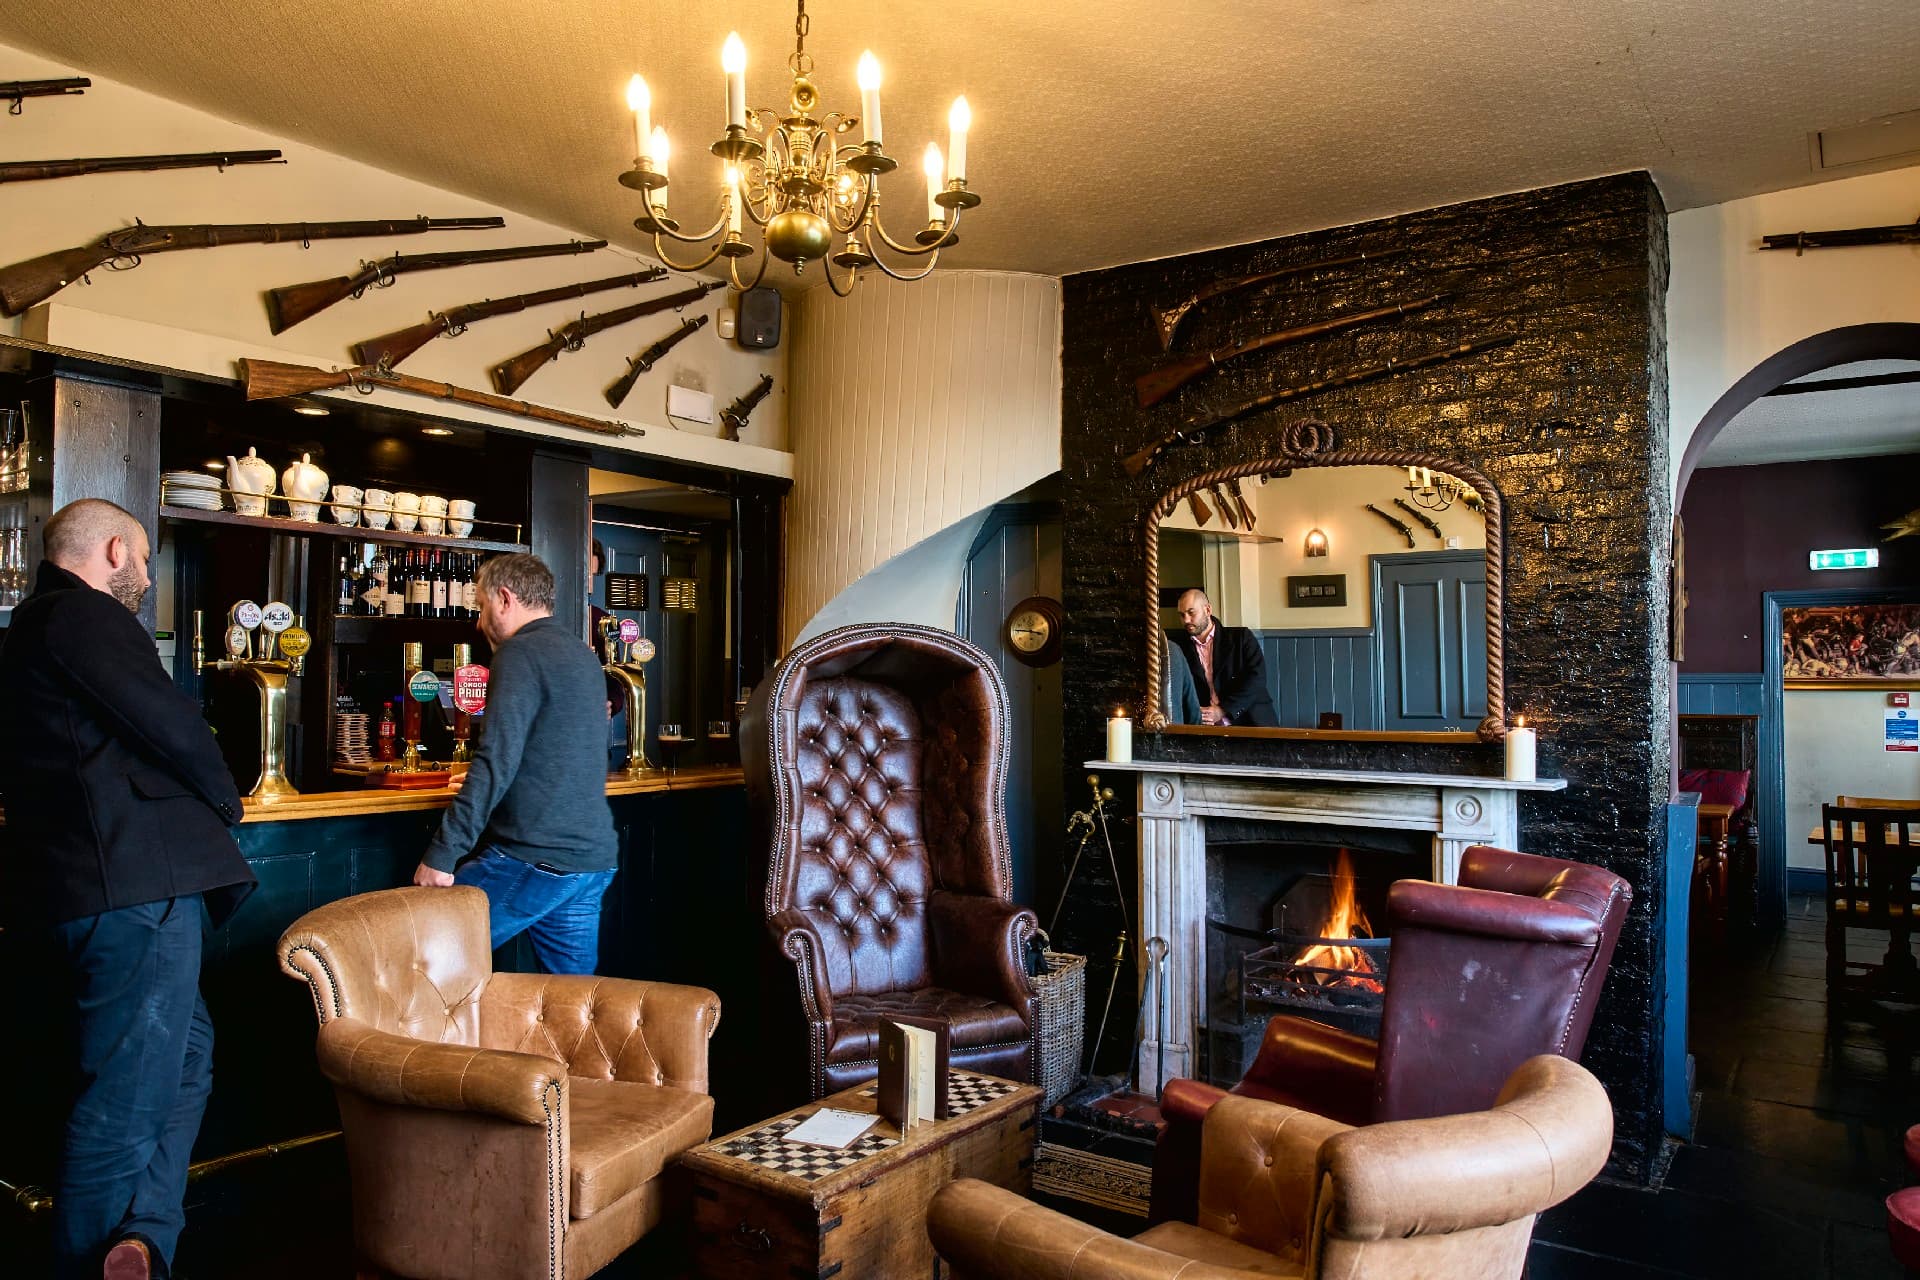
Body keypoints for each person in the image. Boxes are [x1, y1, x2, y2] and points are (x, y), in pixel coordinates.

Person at [0, 498, 255, 1280]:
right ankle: (90, 1260)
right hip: (133, 889)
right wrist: (229, 800)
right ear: (116, 550)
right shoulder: (84, 615)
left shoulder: (28, 629)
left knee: (187, 1058)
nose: (146, 576)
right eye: (144, 559)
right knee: (126, 1099)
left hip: (84, 888)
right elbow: (170, 722)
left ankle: (138, 1240)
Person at [413, 553, 619, 972]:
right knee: (572, 1001)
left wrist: (442, 855)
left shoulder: (519, 653)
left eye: (481, 606)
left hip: (535, 859)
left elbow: (495, 760)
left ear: (505, 599)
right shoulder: (581, 654)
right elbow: (566, 753)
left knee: (418, 957)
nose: (478, 622)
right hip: (591, 861)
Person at [1167, 587, 1279, 727]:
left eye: (1191, 612)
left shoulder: (1241, 638)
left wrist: (1223, 710)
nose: (1186, 620)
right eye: (1182, 615)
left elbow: (1256, 678)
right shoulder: (1178, 647)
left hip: (1249, 720)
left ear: (1208, 610)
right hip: (1203, 726)